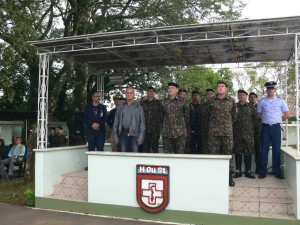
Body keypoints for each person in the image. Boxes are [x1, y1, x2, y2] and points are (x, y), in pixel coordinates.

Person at [257, 81, 290, 179]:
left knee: (276, 149)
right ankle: (262, 171)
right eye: (268, 89)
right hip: (265, 127)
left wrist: (278, 119)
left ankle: (277, 171)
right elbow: (258, 114)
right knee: (264, 149)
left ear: (275, 90)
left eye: (272, 88)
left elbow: (287, 114)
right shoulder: (262, 101)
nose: (270, 90)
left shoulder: (281, 101)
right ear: (266, 90)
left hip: (276, 127)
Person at [207, 80, 237, 186]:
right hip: (213, 133)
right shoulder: (211, 101)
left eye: (222, 86)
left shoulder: (231, 101)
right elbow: (207, 115)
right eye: (218, 86)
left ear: (226, 88)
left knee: (228, 155)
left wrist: (226, 125)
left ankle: (229, 177)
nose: (220, 88)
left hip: (227, 133)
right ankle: (214, 178)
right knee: (213, 156)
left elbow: (234, 116)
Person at [233, 90, 258, 179]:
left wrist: (249, 128)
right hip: (237, 134)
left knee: (248, 152)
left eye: (243, 95)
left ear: (246, 96)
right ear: (238, 96)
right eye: (240, 95)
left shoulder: (251, 107)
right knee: (238, 152)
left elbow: (255, 120)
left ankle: (248, 171)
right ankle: (238, 171)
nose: (241, 96)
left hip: (248, 134)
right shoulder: (234, 106)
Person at [113, 87, 145, 152]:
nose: (129, 94)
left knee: (134, 157)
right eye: (127, 93)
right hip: (123, 135)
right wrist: (115, 137)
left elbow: (142, 124)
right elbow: (115, 123)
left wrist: (140, 138)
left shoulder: (139, 107)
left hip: (135, 135)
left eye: (131, 93)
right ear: (125, 94)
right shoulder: (120, 107)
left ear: (134, 95)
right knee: (123, 156)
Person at [161, 82, 189, 154]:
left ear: (177, 90)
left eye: (172, 88)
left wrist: (181, 128)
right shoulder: (163, 102)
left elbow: (187, 116)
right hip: (167, 133)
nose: (170, 89)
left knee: (180, 155)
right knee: (167, 155)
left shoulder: (183, 101)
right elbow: (161, 116)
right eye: (169, 88)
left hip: (180, 134)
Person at [140, 86, 163, 153]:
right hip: (145, 130)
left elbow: (161, 115)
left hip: (155, 130)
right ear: (147, 93)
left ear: (154, 93)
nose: (151, 92)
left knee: (155, 148)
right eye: (149, 91)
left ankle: (156, 163)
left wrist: (159, 126)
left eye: (153, 91)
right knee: (145, 149)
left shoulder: (158, 103)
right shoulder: (142, 103)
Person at [249, 92, 261, 174]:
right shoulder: (247, 107)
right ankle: (248, 169)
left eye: (254, 97)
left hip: (258, 132)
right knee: (248, 151)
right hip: (248, 133)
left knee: (258, 151)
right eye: (251, 97)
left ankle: (258, 168)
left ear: (257, 98)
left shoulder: (260, 108)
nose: (252, 99)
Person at [200, 88, 215, 153]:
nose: (210, 95)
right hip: (205, 130)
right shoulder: (203, 105)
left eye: (211, 94)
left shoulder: (217, 104)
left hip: (215, 131)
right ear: (206, 96)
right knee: (205, 148)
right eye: (208, 94)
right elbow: (199, 117)